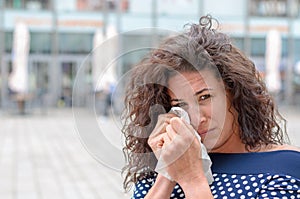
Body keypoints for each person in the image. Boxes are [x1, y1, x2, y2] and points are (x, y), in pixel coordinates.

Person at [121, 15, 300, 198]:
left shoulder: (285, 167)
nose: (197, 118)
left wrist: (192, 179)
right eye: (180, 105)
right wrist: (167, 173)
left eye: (205, 97)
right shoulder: (157, 175)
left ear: (235, 93)